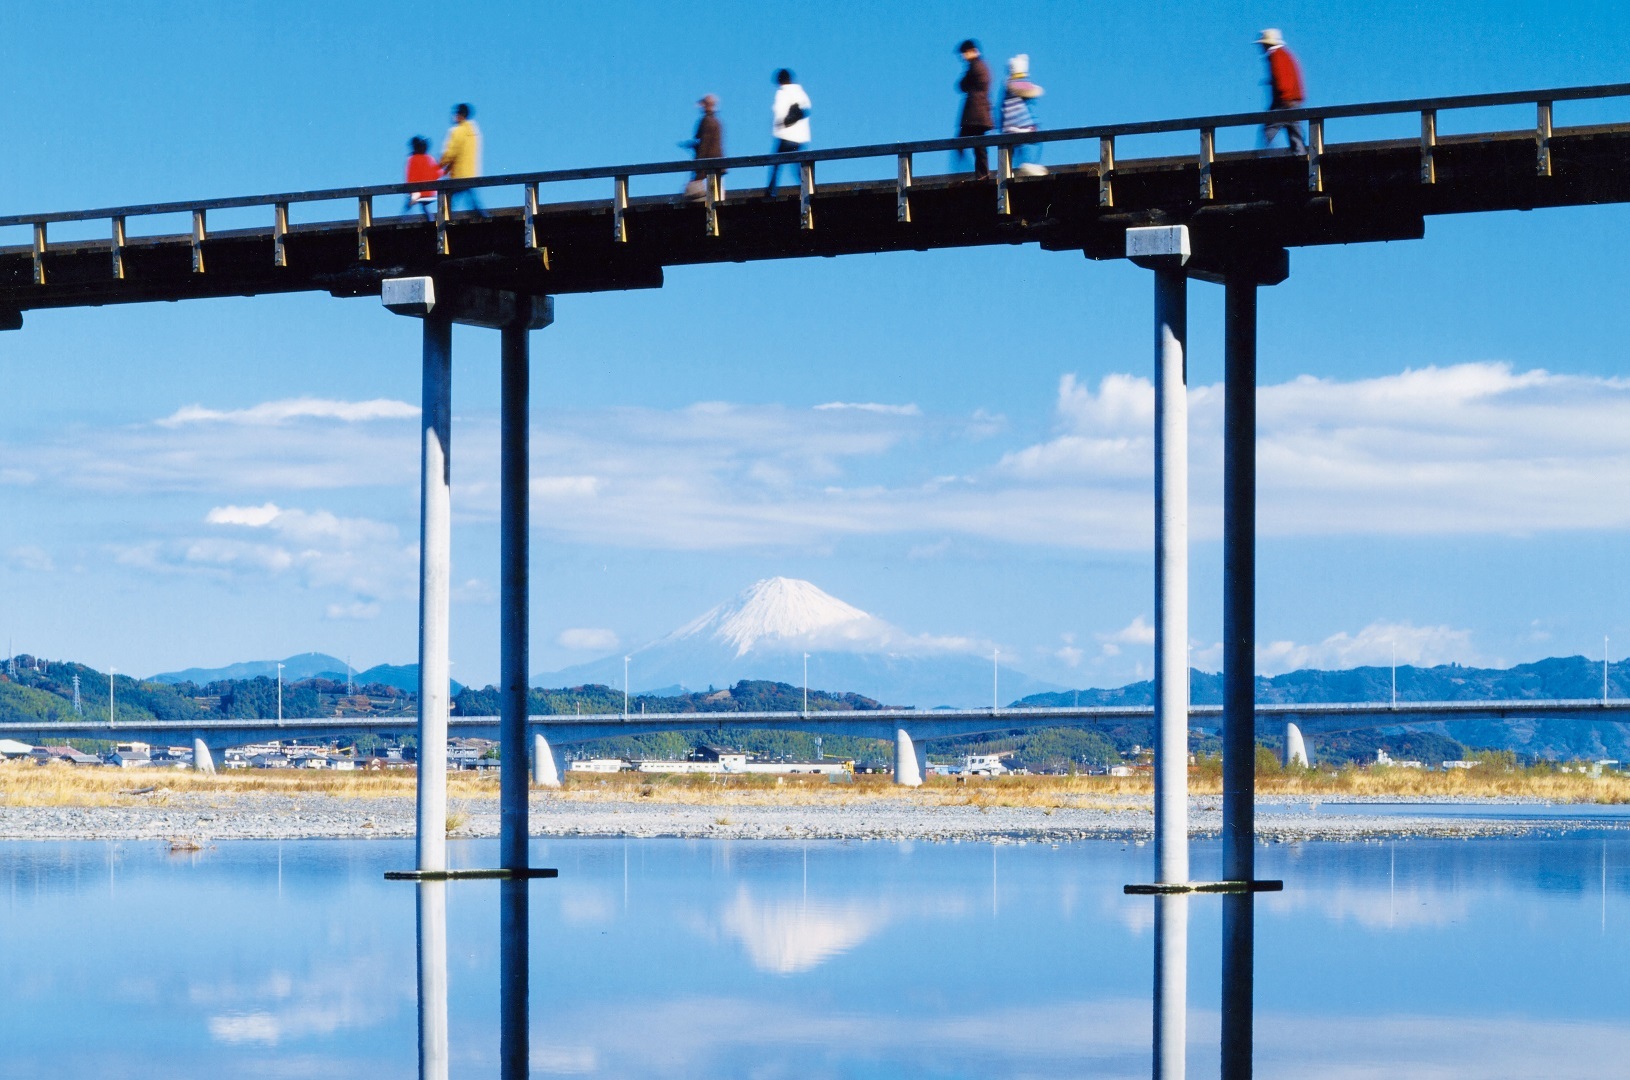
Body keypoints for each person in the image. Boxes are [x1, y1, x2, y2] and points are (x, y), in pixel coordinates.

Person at [1257, 29, 1306, 153]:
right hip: (1293, 101)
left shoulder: (1276, 55)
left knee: (1269, 130)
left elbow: (1282, 79)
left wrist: (1283, 96)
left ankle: (1266, 157)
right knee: (1295, 132)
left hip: (1285, 102)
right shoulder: (1286, 54)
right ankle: (1301, 157)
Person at [766, 69, 811, 196]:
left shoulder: (783, 92)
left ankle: (771, 190)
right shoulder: (800, 92)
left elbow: (780, 113)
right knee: (796, 165)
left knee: (776, 163)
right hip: (800, 137)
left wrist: (783, 123)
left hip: (785, 135)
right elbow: (806, 109)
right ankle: (807, 187)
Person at [439, 103, 487, 215]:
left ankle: (445, 219)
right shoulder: (474, 132)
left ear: (460, 115)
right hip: (471, 173)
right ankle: (482, 215)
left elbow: (451, 153)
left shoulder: (457, 131)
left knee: (448, 196)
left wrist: (440, 164)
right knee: (471, 197)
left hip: (458, 174)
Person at [1002, 55, 1046, 176]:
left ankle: (1013, 168)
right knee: (1035, 142)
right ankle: (1028, 164)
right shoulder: (1012, 83)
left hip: (1011, 125)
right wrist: (1037, 89)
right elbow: (1030, 90)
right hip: (1018, 125)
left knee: (1017, 149)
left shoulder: (1008, 84)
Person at [957, 39, 994, 177]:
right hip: (979, 113)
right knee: (978, 145)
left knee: (972, 144)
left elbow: (962, 85)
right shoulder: (980, 66)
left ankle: (979, 173)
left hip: (975, 114)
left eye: (965, 53)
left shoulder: (976, 66)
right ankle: (981, 173)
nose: (963, 56)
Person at [683, 94, 725, 201]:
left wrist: (698, 162)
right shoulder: (716, 121)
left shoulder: (706, 121)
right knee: (717, 191)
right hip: (718, 162)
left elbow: (705, 144)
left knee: (694, 191)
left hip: (707, 162)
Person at [404, 136, 440, 219]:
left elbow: (410, 177)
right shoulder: (430, 158)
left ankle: (403, 220)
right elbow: (437, 173)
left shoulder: (412, 159)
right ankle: (431, 220)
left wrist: (411, 191)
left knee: (407, 207)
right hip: (431, 192)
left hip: (418, 193)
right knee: (424, 207)